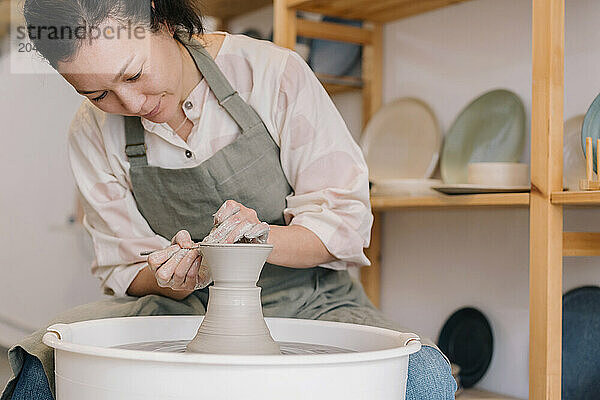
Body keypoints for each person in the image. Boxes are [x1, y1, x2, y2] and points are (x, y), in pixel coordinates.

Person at [3, 1, 456, 399]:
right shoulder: (91, 131)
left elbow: (343, 222)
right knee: (41, 375)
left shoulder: (272, 73)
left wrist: (259, 238)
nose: (131, 102)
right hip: (178, 309)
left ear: (160, 16)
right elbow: (123, 267)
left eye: (134, 74)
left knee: (424, 380)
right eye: (98, 93)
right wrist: (170, 278)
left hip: (310, 300)